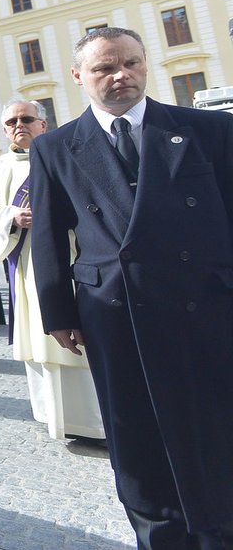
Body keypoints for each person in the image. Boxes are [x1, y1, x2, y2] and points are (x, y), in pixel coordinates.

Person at [31, 27, 233, 548]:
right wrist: (58, 312)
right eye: (104, 68)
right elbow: (50, 235)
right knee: (136, 433)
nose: (122, 75)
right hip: (115, 311)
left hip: (205, 304)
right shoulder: (56, 147)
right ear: (78, 77)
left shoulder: (206, 129)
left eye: (132, 63)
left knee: (213, 425)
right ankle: (160, 532)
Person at [0, 99, 103, 442]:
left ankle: (99, 420)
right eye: (11, 121)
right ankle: (57, 418)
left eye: (27, 118)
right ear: (4, 130)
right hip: (27, 264)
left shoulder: (66, 154)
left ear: (43, 125)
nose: (19, 125)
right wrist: (10, 217)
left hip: (78, 257)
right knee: (42, 337)